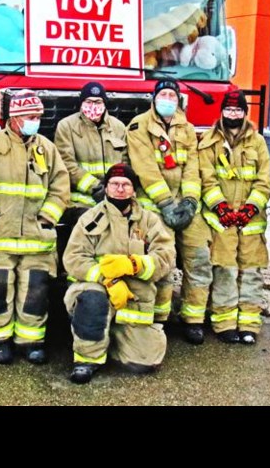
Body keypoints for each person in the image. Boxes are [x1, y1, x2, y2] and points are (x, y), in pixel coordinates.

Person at [0, 90, 70, 365]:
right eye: (30, 116)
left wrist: (48, 217)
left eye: (37, 116)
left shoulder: (46, 148)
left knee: (36, 290)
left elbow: (60, 187)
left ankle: (30, 341)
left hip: (37, 241)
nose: (36, 121)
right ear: (14, 118)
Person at [62, 163, 175, 384]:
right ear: (106, 188)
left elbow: (166, 257)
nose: (120, 189)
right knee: (93, 301)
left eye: (126, 184)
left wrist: (135, 265)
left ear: (134, 190)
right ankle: (86, 360)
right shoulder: (90, 219)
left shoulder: (149, 221)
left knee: (144, 363)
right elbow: (74, 258)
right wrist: (107, 279)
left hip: (134, 299)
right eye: (114, 184)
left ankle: (113, 337)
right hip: (96, 289)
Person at [127, 79, 211, 344]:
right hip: (154, 206)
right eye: (163, 94)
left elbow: (192, 167)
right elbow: (145, 169)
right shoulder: (139, 126)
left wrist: (189, 201)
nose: (168, 99)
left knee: (199, 258)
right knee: (162, 262)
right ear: (154, 98)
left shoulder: (186, 127)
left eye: (172, 95)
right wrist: (165, 203)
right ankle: (159, 318)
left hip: (184, 206)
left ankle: (193, 319)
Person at [197, 88, 270, 344]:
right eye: (229, 110)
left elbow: (264, 181)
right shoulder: (209, 141)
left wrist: (251, 208)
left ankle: (249, 325)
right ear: (221, 112)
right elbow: (205, 179)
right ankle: (225, 323)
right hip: (221, 222)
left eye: (238, 110)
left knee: (251, 273)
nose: (233, 114)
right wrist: (220, 207)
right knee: (225, 271)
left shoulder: (258, 142)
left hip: (251, 223)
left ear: (244, 112)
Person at [53, 81, 128, 258]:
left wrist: (115, 189)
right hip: (80, 200)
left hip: (114, 196)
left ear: (104, 104)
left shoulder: (118, 127)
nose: (93, 106)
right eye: (88, 101)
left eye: (98, 102)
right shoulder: (66, 127)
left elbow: (125, 162)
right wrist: (94, 187)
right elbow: (66, 164)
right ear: (81, 103)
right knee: (91, 223)